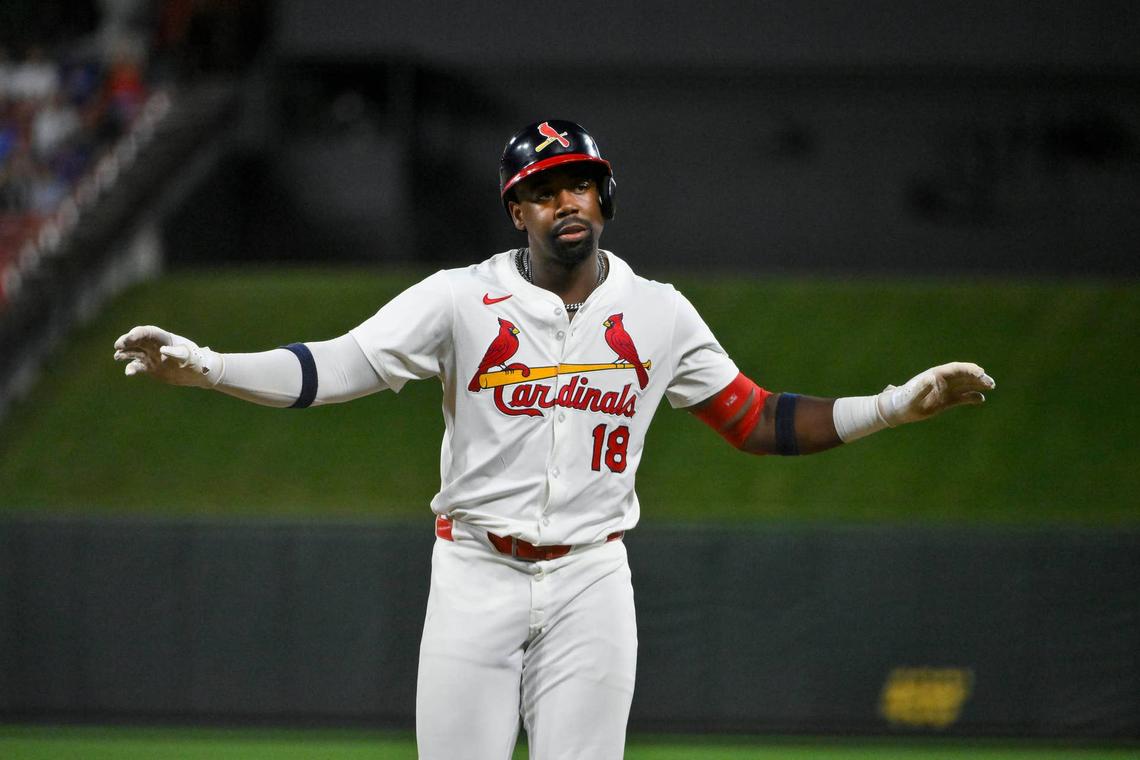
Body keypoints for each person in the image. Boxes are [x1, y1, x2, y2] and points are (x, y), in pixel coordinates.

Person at [114, 119, 995, 759]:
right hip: (474, 571)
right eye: (541, 190)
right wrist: (213, 365)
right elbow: (335, 367)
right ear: (517, 213)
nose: (563, 200)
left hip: (590, 579)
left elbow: (756, 419)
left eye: (577, 183)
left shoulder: (658, 312)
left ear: (603, 197)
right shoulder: (459, 298)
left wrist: (892, 405)